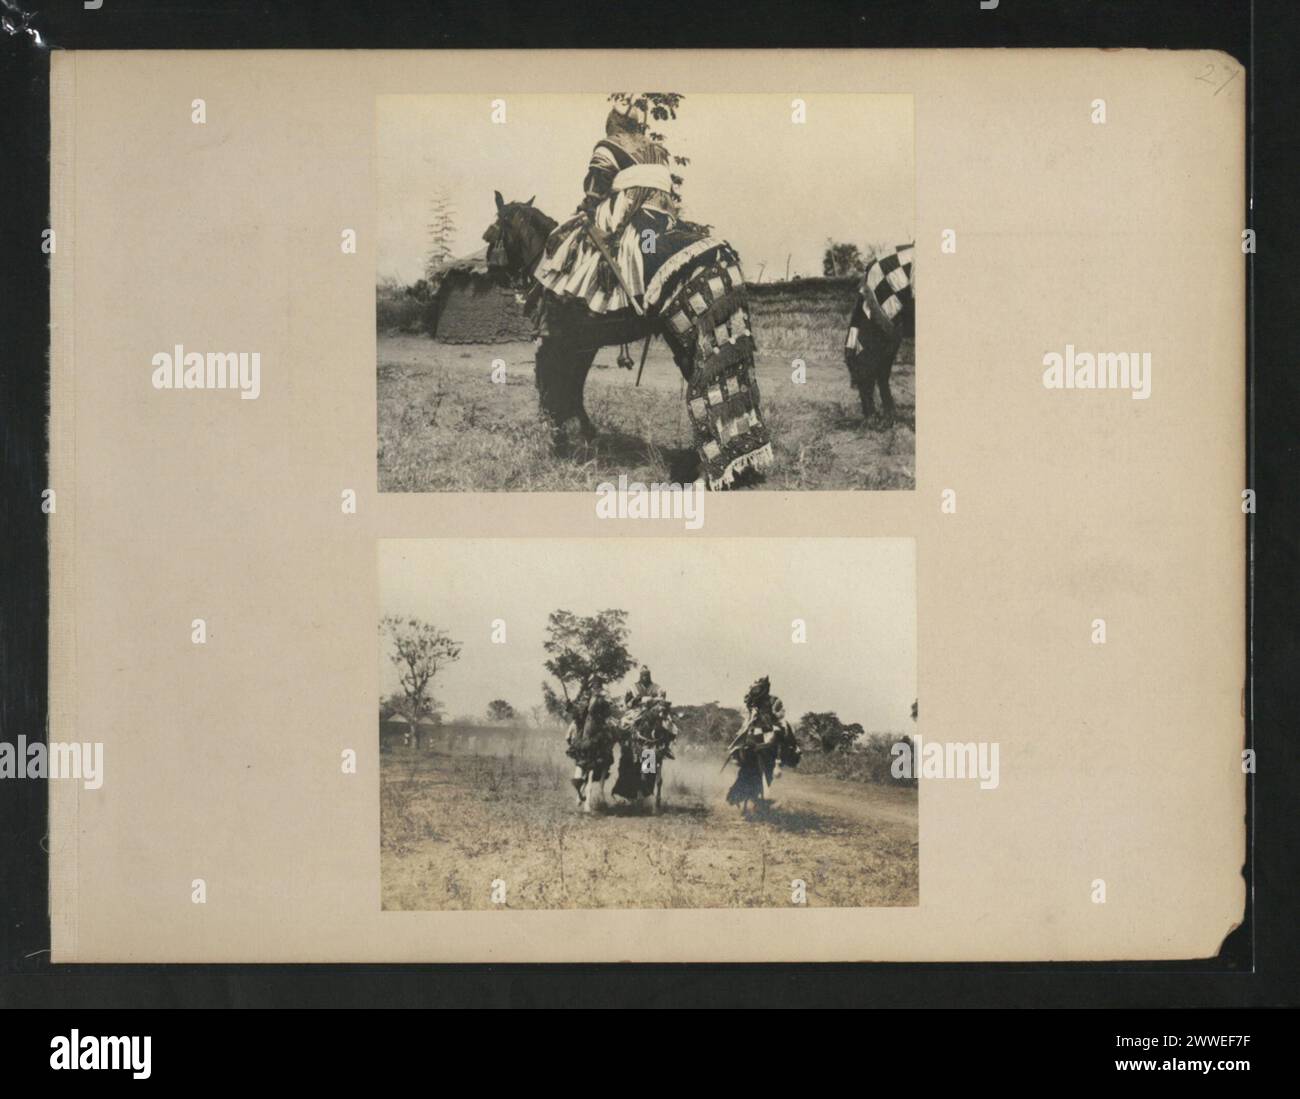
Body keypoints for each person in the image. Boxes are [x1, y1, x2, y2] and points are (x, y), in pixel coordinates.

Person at [533, 99, 685, 314]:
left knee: (571, 235)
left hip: (631, 209)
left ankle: (580, 303)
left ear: (613, 122)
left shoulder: (609, 145)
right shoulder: (656, 148)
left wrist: (585, 209)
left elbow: (597, 185)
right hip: (661, 214)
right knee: (648, 244)